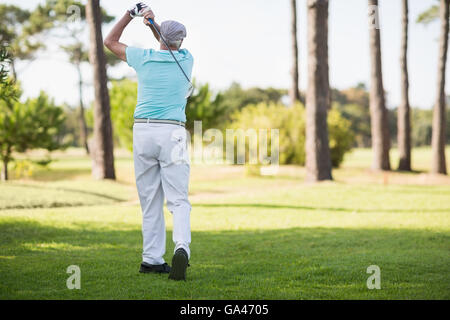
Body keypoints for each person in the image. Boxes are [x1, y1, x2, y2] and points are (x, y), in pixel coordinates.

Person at [104, 2, 193, 281]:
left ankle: (152, 260)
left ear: (159, 38)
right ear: (182, 41)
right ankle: (181, 248)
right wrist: (155, 26)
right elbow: (170, 45)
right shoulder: (187, 60)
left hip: (143, 131)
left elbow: (110, 41)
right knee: (178, 200)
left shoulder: (143, 58)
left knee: (150, 199)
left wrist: (133, 15)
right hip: (173, 133)